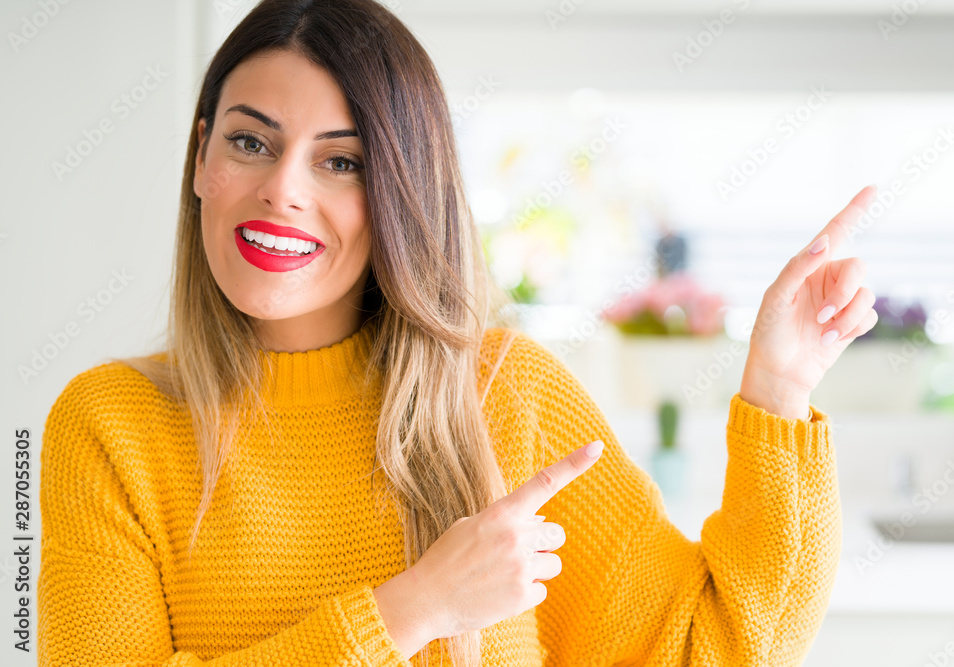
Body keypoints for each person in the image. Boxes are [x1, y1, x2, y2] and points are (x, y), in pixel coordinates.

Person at [37, 0, 879, 665]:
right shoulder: (110, 424)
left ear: (403, 187)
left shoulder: (506, 395)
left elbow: (717, 650)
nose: (282, 189)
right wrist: (416, 607)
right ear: (200, 160)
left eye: (342, 160)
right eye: (252, 141)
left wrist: (779, 388)